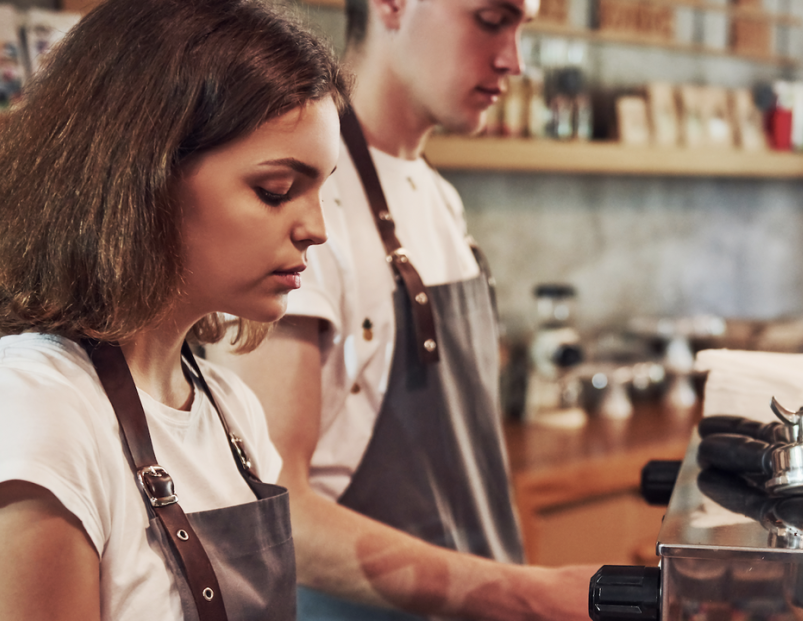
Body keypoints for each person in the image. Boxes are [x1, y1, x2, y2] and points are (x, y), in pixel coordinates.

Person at [0, 0, 346, 619]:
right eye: (275, 191)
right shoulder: (35, 427)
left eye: (321, 188)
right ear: (141, 174)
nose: (317, 228)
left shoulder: (230, 412)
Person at [205, 0, 597, 617]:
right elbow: (272, 506)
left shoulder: (437, 196)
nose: (513, 60)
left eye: (524, 27)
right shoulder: (300, 206)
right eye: (491, 20)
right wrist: (527, 594)